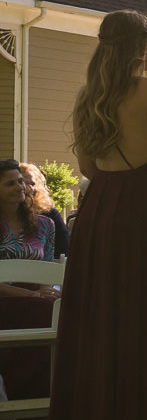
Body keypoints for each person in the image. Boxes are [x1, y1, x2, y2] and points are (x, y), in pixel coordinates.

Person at [41, 10, 147, 420]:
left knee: (97, 324)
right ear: (143, 46)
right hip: (142, 207)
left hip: (100, 208)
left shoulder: (89, 95)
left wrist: (113, 197)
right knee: (141, 322)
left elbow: (86, 164)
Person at [0, 159, 61, 401]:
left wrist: (45, 292)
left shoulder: (45, 225)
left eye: (21, 181)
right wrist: (30, 295)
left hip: (36, 299)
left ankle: (41, 395)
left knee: (58, 310)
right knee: (41, 310)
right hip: (5, 299)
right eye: (9, 183)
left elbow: (46, 269)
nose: (20, 187)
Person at [19, 163, 70, 259]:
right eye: (24, 183)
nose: (30, 188)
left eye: (33, 184)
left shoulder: (49, 217)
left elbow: (63, 253)